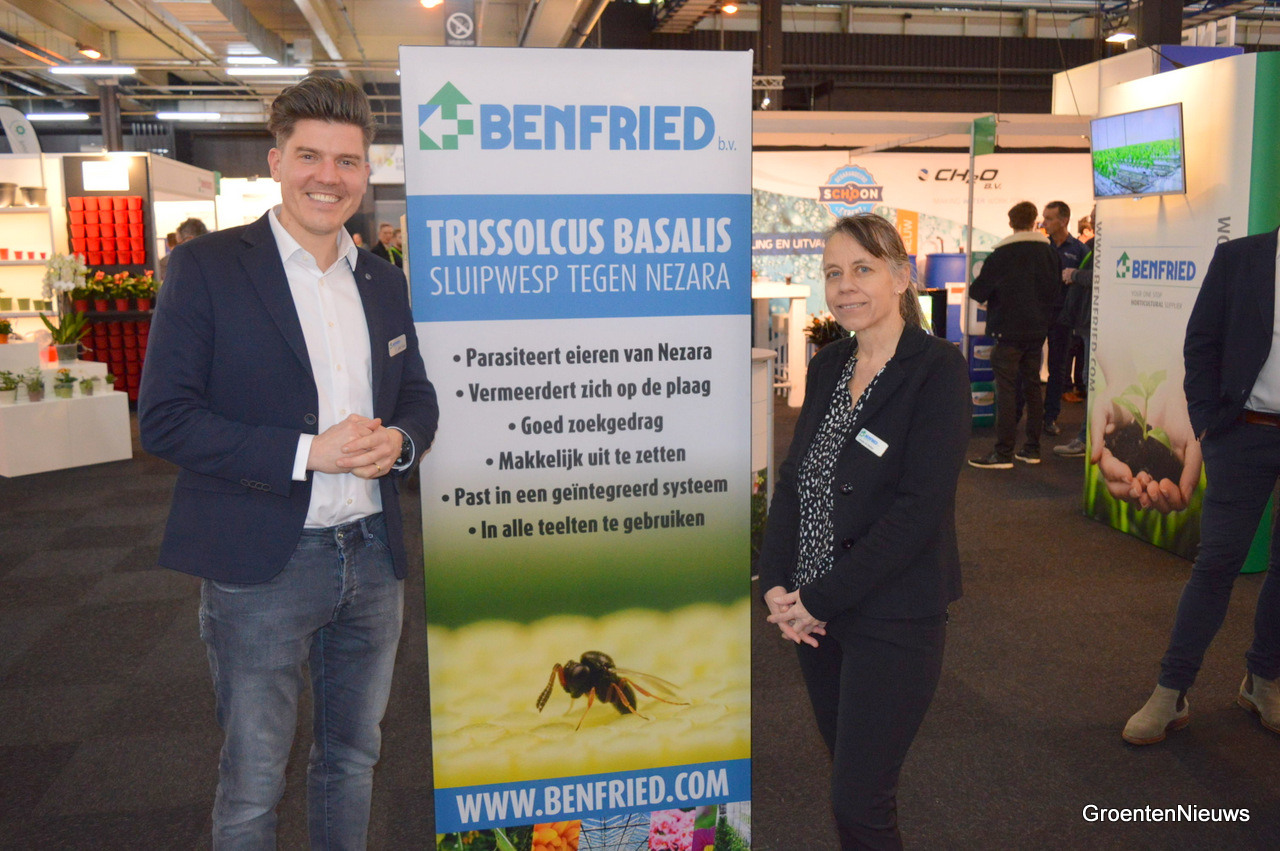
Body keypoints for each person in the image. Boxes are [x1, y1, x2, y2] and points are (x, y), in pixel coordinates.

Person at [137, 75, 439, 846]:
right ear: (276, 161)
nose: (327, 177)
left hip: (372, 559)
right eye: (310, 156)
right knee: (254, 779)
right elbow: (164, 419)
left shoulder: (383, 279)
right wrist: (310, 452)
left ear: (365, 173)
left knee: (353, 758)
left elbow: (417, 395)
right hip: (261, 565)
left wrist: (400, 442)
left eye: (347, 161)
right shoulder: (206, 268)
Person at [758, 213, 970, 849]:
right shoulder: (829, 364)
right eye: (832, 273)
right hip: (815, 618)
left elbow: (917, 512)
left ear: (900, 277)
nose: (844, 286)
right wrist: (776, 583)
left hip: (891, 616)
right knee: (854, 782)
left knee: (859, 801)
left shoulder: (936, 370)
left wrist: (817, 599)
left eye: (862, 269)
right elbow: (795, 481)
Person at [1123, 226, 1280, 745]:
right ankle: (1170, 692)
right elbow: (1201, 342)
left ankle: (1263, 680)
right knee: (1216, 566)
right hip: (1244, 433)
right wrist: (1208, 425)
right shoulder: (1241, 258)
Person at [968, 201, 1061, 468]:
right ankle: (1032, 449)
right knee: (1033, 388)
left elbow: (978, 291)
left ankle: (1003, 453)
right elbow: (1056, 294)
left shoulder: (1002, 255)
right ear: (1034, 221)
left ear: (1010, 223)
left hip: (1006, 331)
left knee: (1006, 390)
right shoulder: (1050, 253)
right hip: (1037, 332)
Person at [1040, 201, 1088, 435]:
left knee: (1057, 369)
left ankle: (1050, 417)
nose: (1044, 223)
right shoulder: (1040, 247)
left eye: (1049, 219)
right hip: (1038, 315)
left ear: (1064, 221)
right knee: (1028, 367)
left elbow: (1087, 281)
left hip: (1064, 318)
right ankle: (1025, 417)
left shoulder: (1080, 250)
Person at [1054, 209, 1095, 458]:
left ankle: (1086, 439)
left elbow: (1105, 276)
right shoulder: (1094, 245)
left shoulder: (1091, 247)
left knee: (1092, 381)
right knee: (1088, 378)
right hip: (1086, 321)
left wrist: (1074, 275)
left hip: (1094, 323)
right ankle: (1086, 438)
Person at [157, 219, 208, 283]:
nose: (177, 248)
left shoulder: (185, 270)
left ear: (189, 240)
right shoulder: (216, 259)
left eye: (179, 243)